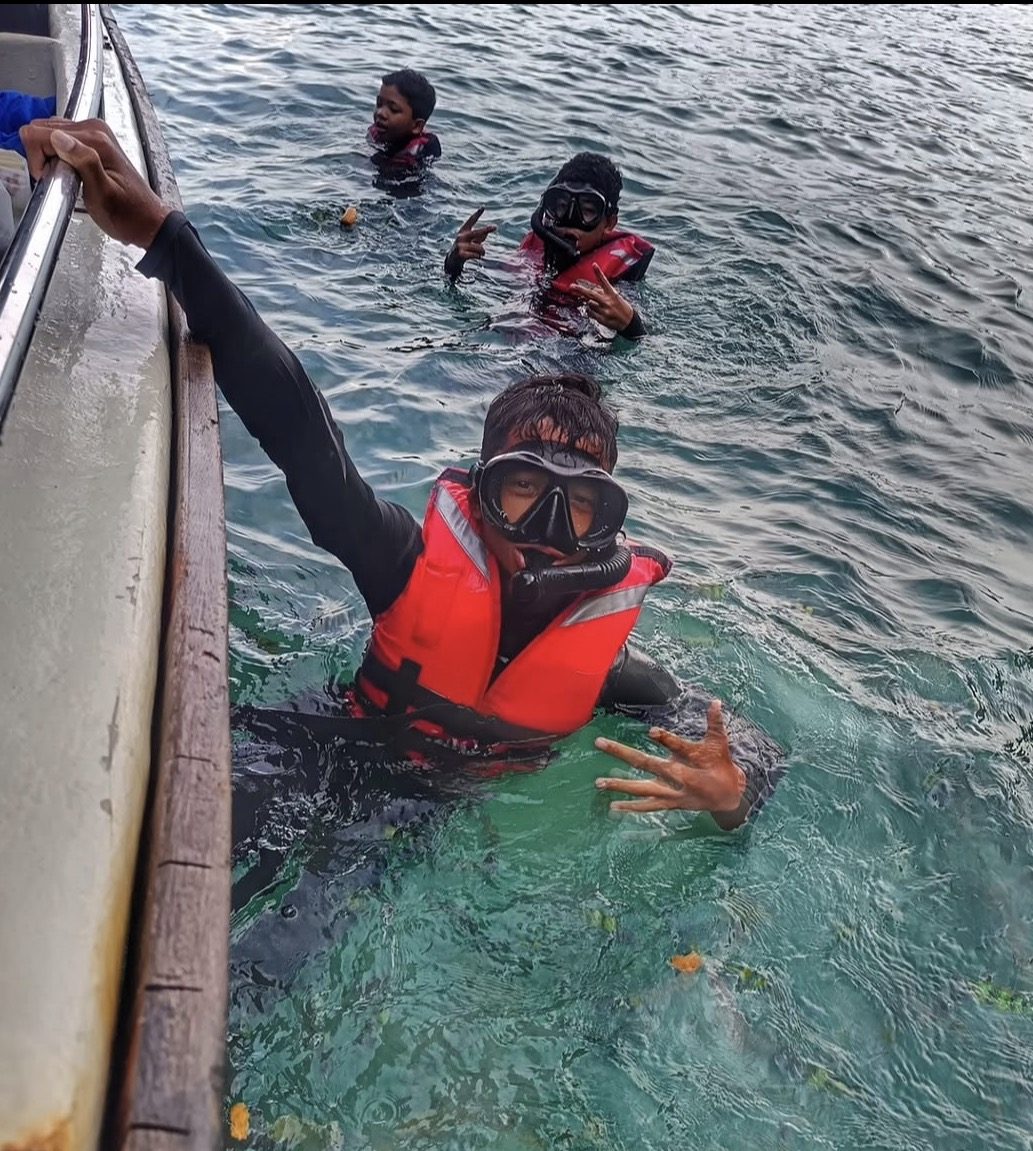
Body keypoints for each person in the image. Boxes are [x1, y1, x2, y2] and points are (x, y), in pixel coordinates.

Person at [21, 117, 785, 833]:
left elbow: (740, 742)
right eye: (523, 489)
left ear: (609, 521)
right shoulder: (401, 563)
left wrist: (730, 792)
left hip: (428, 833)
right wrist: (166, 236)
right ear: (481, 494)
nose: (550, 534)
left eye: (581, 505)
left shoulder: (610, 670)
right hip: (316, 755)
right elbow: (295, 424)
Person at [444, 151, 654, 342]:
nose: (572, 221)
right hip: (510, 337)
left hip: (570, 358)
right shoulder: (536, 252)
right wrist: (454, 263)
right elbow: (477, 284)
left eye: (588, 211)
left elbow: (642, 339)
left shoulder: (620, 284)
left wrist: (631, 325)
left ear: (609, 223)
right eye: (562, 207)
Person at [367, 67, 440, 194]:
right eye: (379, 104)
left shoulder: (424, 151)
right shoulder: (378, 134)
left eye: (393, 109)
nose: (380, 113)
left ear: (417, 126)